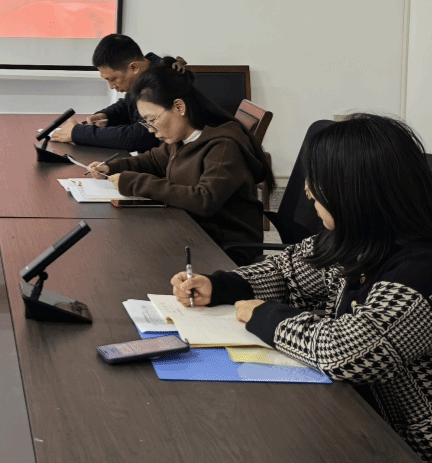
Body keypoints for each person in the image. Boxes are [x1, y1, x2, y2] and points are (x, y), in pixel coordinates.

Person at [170, 114, 432, 461]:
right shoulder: (358, 237)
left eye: (318, 182)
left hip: (407, 440)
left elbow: (350, 352)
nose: (307, 191)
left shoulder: (420, 268)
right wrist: (221, 285)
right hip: (354, 408)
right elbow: (287, 271)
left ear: (355, 191)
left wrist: (267, 317)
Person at [89, 65, 272, 264]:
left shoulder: (223, 147)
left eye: (152, 120)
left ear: (179, 107)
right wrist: (112, 167)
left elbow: (204, 200)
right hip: (192, 229)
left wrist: (136, 183)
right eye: (146, 123)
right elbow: (153, 161)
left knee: (133, 256)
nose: (150, 129)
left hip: (222, 250)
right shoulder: (181, 138)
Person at [51, 33, 186, 152]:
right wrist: (106, 115)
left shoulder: (163, 82)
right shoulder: (144, 75)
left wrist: (78, 133)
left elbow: (138, 137)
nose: (111, 86)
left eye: (113, 79)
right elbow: (127, 105)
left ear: (134, 68)